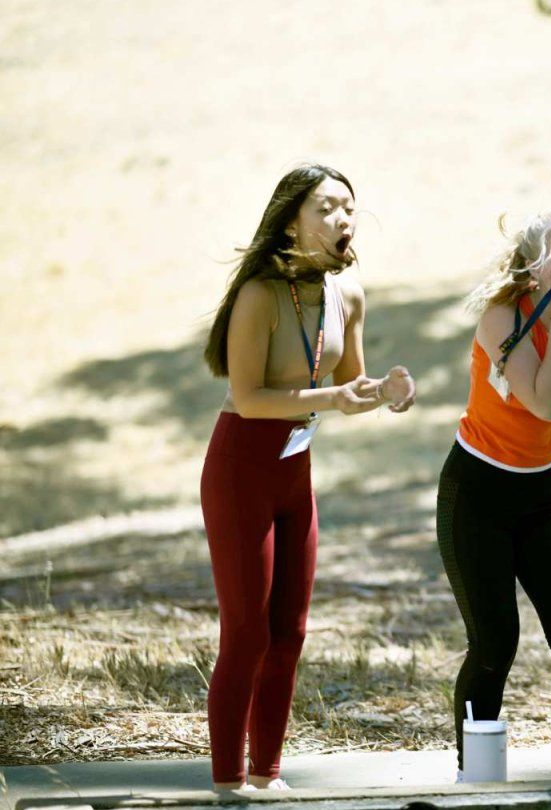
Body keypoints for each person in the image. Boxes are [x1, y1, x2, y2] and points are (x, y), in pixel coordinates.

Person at [200, 164, 416, 790]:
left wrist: (386, 393)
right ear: (290, 221)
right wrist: (333, 399)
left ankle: (266, 776)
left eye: (349, 206)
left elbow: (351, 386)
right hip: (241, 468)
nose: (343, 217)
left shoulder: (349, 295)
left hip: (295, 473)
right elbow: (248, 398)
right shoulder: (260, 295)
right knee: (247, 633)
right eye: (325, 207)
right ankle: (227, 784)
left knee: (289, 632)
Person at [436, 208, 551, 781]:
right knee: (496, 642)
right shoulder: (502, 316)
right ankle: (475, 772)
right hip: (478, 490)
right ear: (533, 265)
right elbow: (543, 402)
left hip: (546, 493)